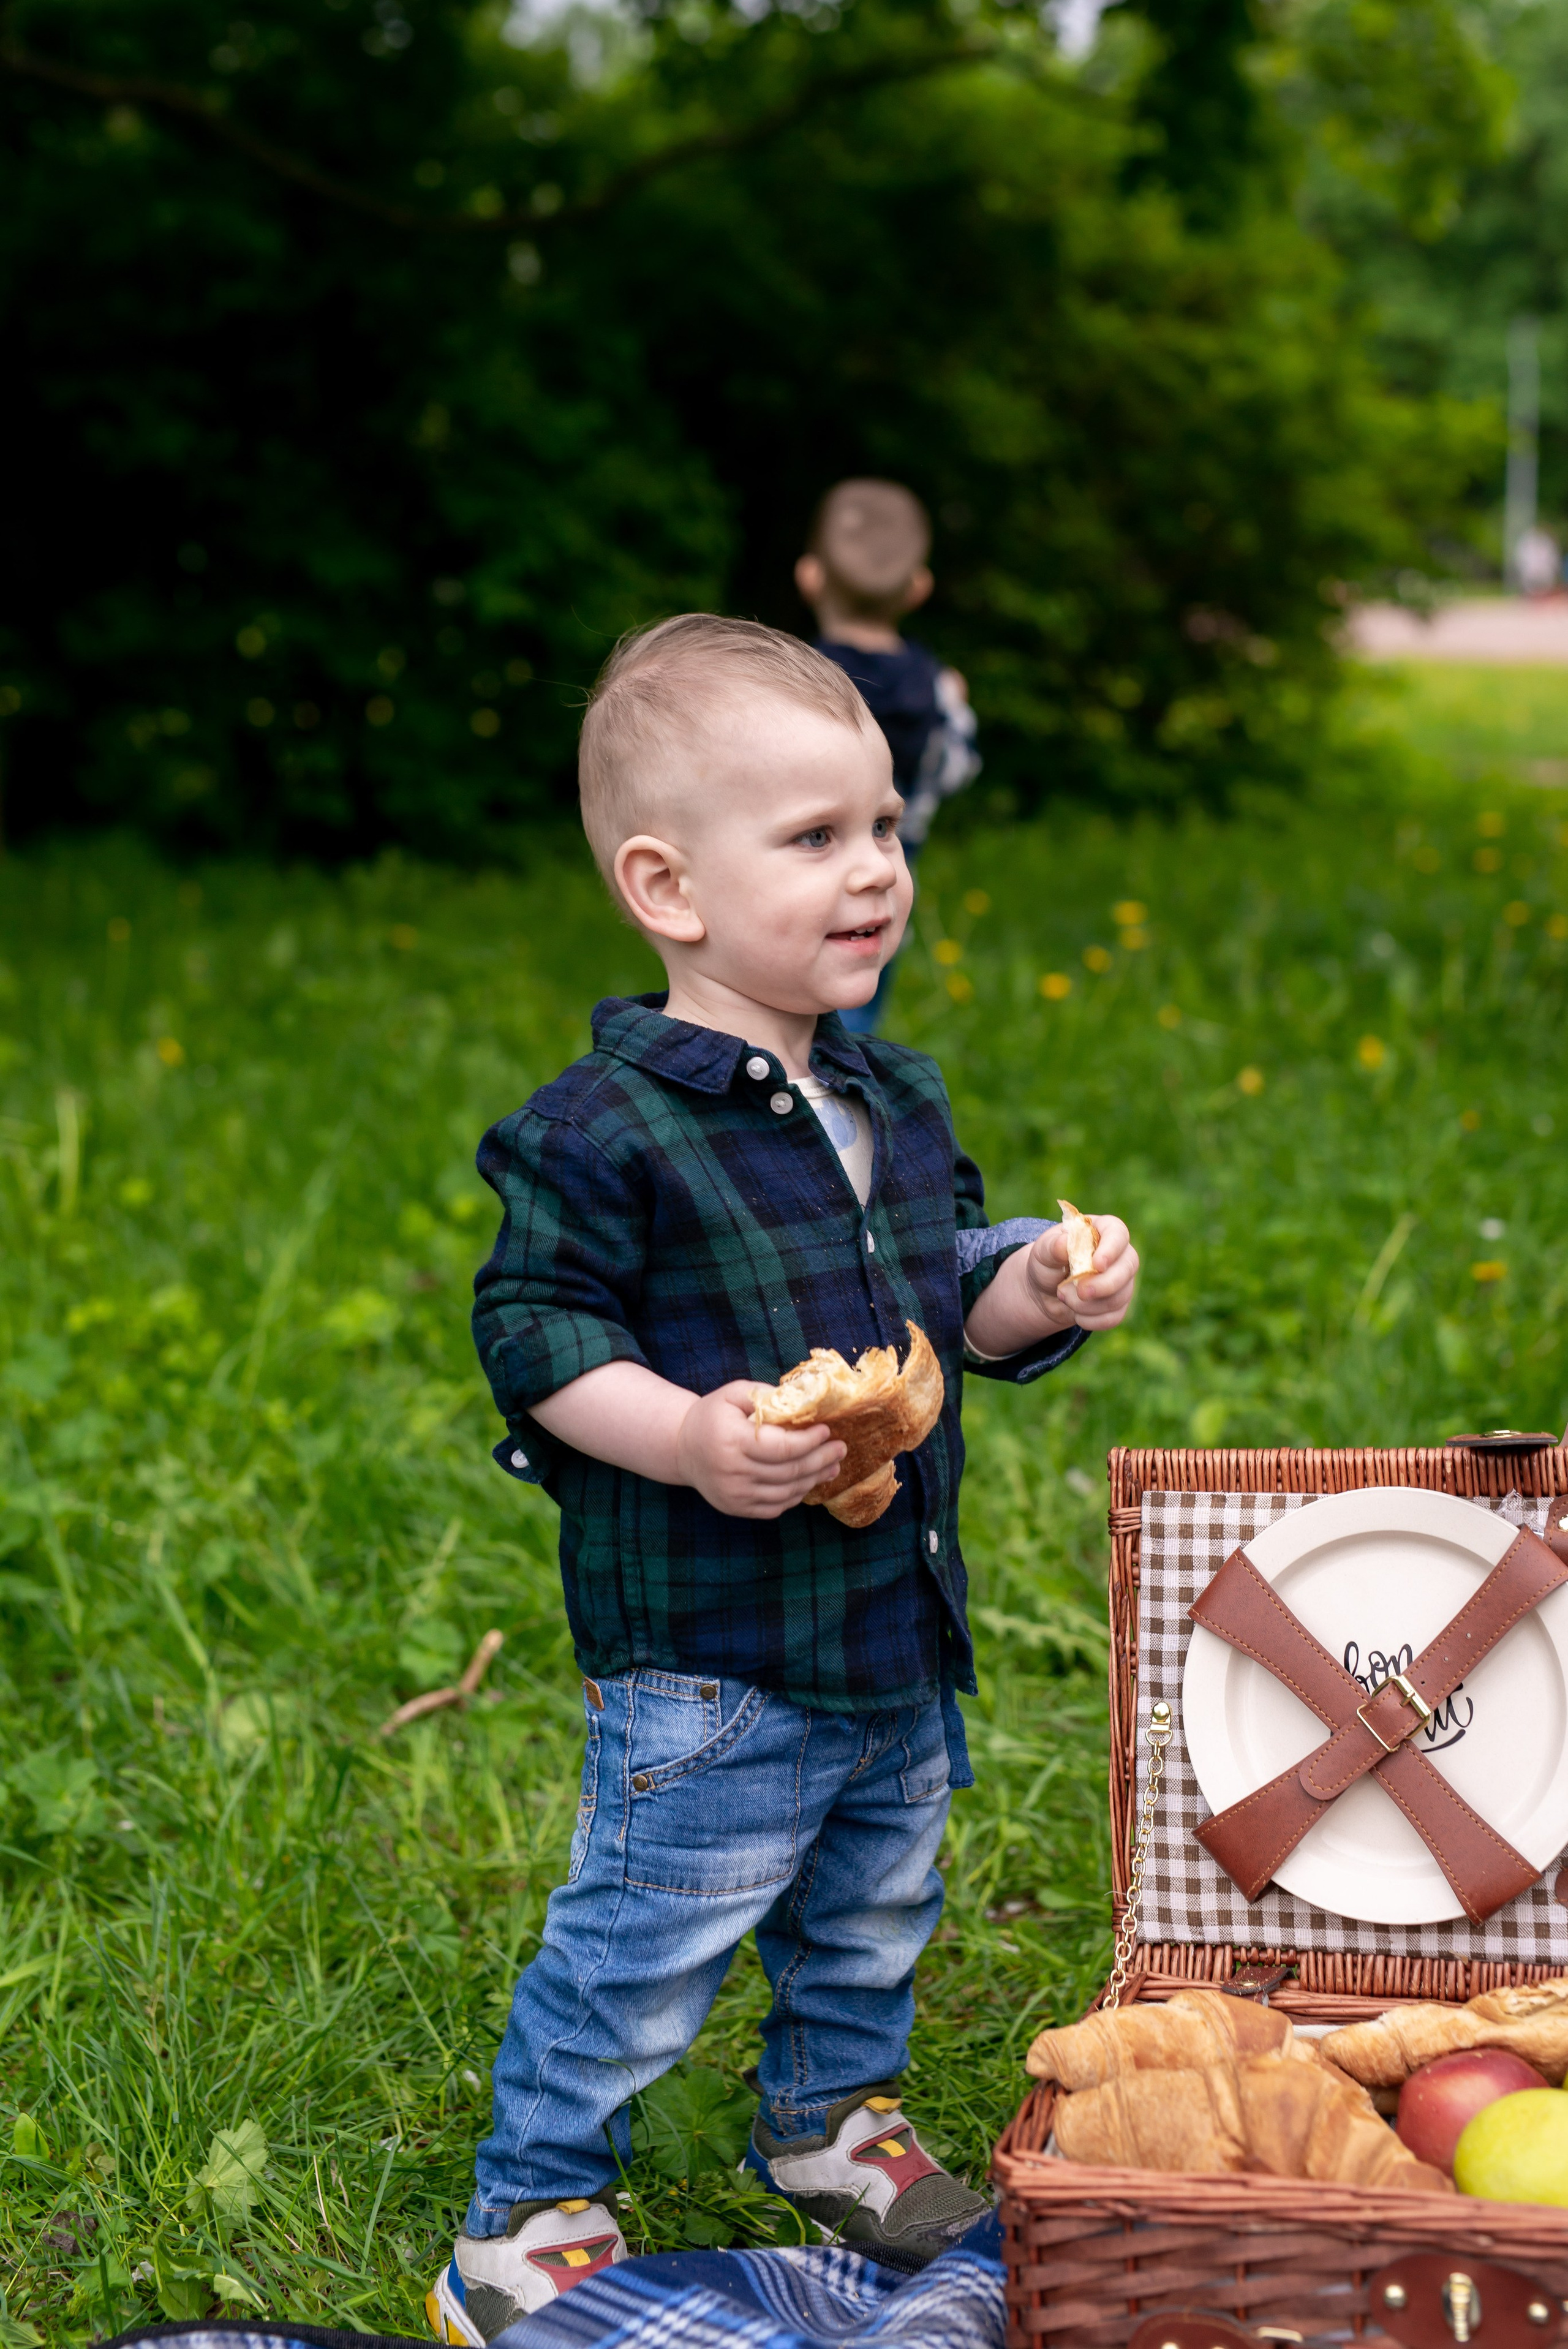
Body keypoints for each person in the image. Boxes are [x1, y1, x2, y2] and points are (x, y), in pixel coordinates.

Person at [429, 615, 1139, 2344]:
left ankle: (831, 2122)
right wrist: (685, 1435)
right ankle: (522, 2217)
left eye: (887, 826)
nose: (877, 869)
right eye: (816, 837)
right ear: (668, 888)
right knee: (649, 1936)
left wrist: (1027, 1285)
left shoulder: (890, 1085)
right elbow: (532, 1327)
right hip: (715, 1654)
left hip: (892, 1621)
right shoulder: (605, 1127)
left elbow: (937, 1289)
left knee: (876, 1900)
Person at [796, 480, 980, 1032]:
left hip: (803, 853)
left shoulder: (795, 679)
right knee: (864, 968)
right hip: (894, 856)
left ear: (810, 576)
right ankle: (848, 1066)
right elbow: (956, 770)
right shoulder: (938, 685)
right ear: (918, 587)